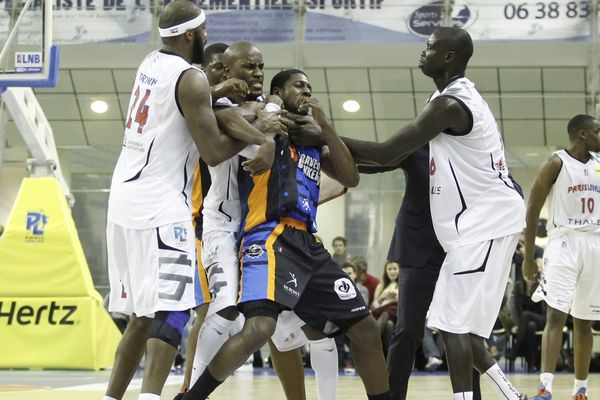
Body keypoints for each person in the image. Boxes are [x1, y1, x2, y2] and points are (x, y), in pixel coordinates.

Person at [340, 27, 527, 400]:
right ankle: (511, 394)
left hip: (485, 224)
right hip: (456, 232)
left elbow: (384, 152)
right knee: (449, 327)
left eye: (429, 47)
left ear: (449, 57)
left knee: (453, 324)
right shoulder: (442, 103)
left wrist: (323, 134)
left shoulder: (449, 106)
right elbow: (380, 161)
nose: (421, 52)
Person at [184, 69, 390, 400]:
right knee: (259, 328)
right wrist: (268, 124)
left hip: (308, 244)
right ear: (278, 90)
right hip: (268, 236)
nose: (307, 91)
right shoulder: (264, 121)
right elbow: (230, 115)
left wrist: (325, 128)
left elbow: (350, 178)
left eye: (310, 86)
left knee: (363, 327)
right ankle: (191, 396)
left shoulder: (310, 143)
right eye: (299, 85)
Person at [102, 3, 271, 399]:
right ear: (192, 34)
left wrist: (217, 91)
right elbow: (213, 152)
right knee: (173, 311)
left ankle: (111, 397)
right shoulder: (191, 77)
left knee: (140, 317)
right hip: (161, 207)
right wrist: (258, 131)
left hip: (123, 201)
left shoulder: (151, 62)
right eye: (206, 31)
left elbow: (172, 101)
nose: (208, 37)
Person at [522, 114, 600, 400]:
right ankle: (545, 388)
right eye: (597, 131)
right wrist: (529, 257)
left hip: (595, 244)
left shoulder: (599, 166)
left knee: (585, 321)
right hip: (564, 242)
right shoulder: (557, 162)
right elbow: (532, 208)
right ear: (582, 134)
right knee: (556, 314)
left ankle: (581, 390)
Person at [370, 261, 399, 357]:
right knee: (388, 325)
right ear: (386, 271)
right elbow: (374, 307)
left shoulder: (403, 286)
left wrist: (396, 297)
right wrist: (382, 297)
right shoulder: (380, 286)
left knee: (387, 312)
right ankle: (388, 358)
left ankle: (372, 341)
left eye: (395, 269)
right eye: (389, 269)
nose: (392, 272)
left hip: (397, 316)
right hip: (382, 317)